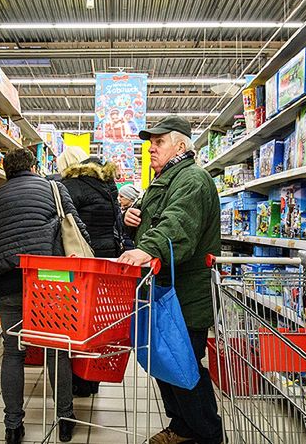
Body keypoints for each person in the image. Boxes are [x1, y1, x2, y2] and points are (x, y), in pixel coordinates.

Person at [0, 148, 88, 444]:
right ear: (34, 166)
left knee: (13, 351)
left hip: (8, 284)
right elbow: (78, 230)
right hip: (50, 282)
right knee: (56, 349)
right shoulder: (54, 189)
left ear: (7, 170)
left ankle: (13, 427)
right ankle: (64, 418)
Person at [117, 116, 223, 444]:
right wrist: (131, 220)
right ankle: (181, 428)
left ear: (180, 145)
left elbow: (179, 224)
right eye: (151, 143)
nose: (151, 148)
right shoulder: (166, 180)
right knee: (166, 365)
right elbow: (158, 219)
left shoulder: (192, 179)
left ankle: (207, 435)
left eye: (159, 142)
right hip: (165, 292)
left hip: (186, 294)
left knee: (184, 369)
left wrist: (147, 248)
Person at [55, 146, 123, 397]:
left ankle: (78, 380)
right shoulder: (107, 186)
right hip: (107, 259)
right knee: (97, 322)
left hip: (82, 260)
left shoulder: (72, 186)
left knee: (76, 320)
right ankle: (92, 378)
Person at [116, 184, 140, 250]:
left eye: (122, 196)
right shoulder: (121, 210)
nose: (119, 199)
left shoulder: (135, 212)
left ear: (130, 198)